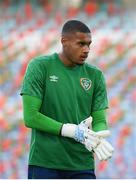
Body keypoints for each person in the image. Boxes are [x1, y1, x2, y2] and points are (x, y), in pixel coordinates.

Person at [20, 20, 114, 179]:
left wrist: (98, 137)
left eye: (89, 44)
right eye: (81, 44)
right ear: (64, 41)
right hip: (45, 163)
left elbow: (99, 119)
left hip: (81, 164)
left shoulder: (95, 75)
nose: (87, 50)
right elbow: (31, 117)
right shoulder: (40, 67)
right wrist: (70, 130)